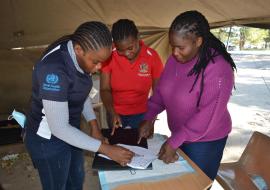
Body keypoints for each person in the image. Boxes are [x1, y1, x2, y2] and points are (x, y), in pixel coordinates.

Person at [24, 21, 134, 190]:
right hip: (48, 139)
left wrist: (94, 125)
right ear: (78, 50)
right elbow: (59, 128)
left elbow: (80, 92)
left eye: (102, 62)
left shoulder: (81, 54)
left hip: (70, 128)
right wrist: (105, 149)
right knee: (57, 184)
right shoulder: (53, 71)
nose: (99, 68)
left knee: (76, 178)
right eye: (96, 62)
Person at [138, 10, 236, 180]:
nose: (175, 52)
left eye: (181, 47)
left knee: (195, 183)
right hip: (180, 135)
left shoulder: (218, 68)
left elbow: (207, 115)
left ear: (198, 41)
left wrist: (174, 141)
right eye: (172, 46)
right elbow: (163, 92)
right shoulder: (174, 60)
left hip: (206, 142)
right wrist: (149, 116)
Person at [100, 19, 163, 135]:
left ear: (138, 37)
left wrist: (150, 119)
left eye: (130, 48)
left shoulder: (152, 57)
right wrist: (112, 112)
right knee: (117, 146)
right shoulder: (109, 55)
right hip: (115, 112)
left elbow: (158, 93)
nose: (126, 53)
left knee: (140, 148)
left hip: (143, 114)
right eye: (120, 50)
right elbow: (104, 89)